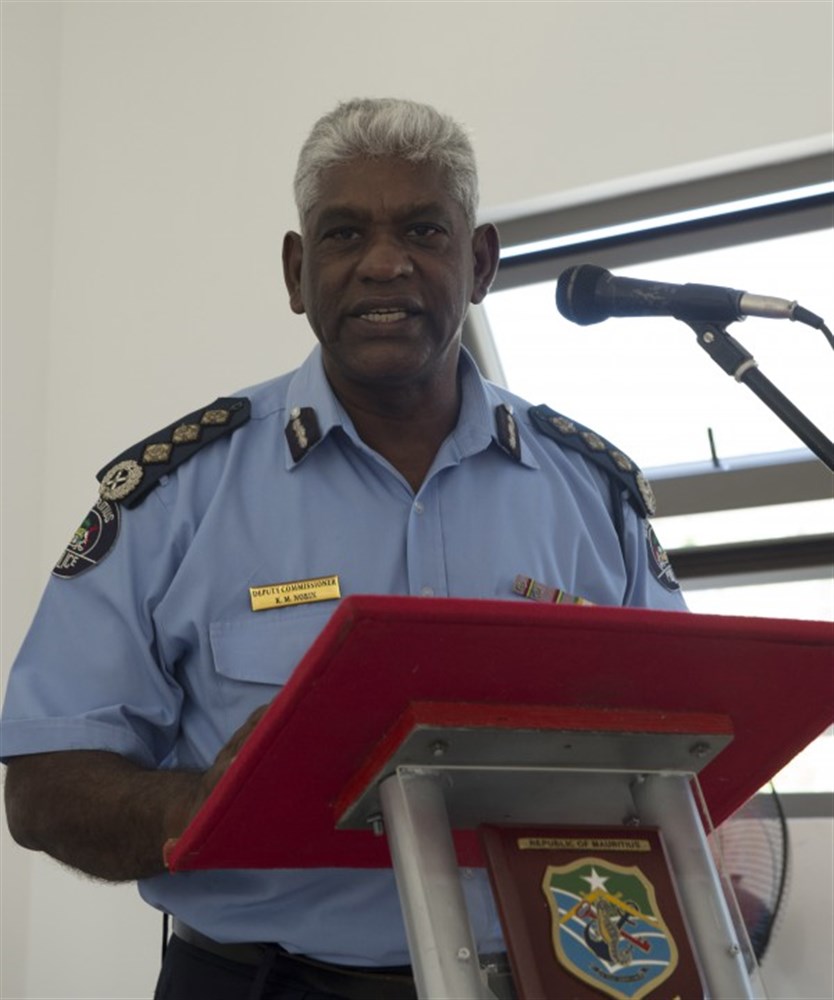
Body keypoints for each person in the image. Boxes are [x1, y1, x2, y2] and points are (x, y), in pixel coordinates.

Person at [2, 97, 687, 1000]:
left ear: (479, 263)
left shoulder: (591, 491)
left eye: (424, 230)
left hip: (548, 974)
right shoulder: (179, 492)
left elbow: (687, 747)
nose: (383, 262)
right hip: (262, 983)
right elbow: (45, 781)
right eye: (343, 234)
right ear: (296, 272)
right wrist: (202, 806)